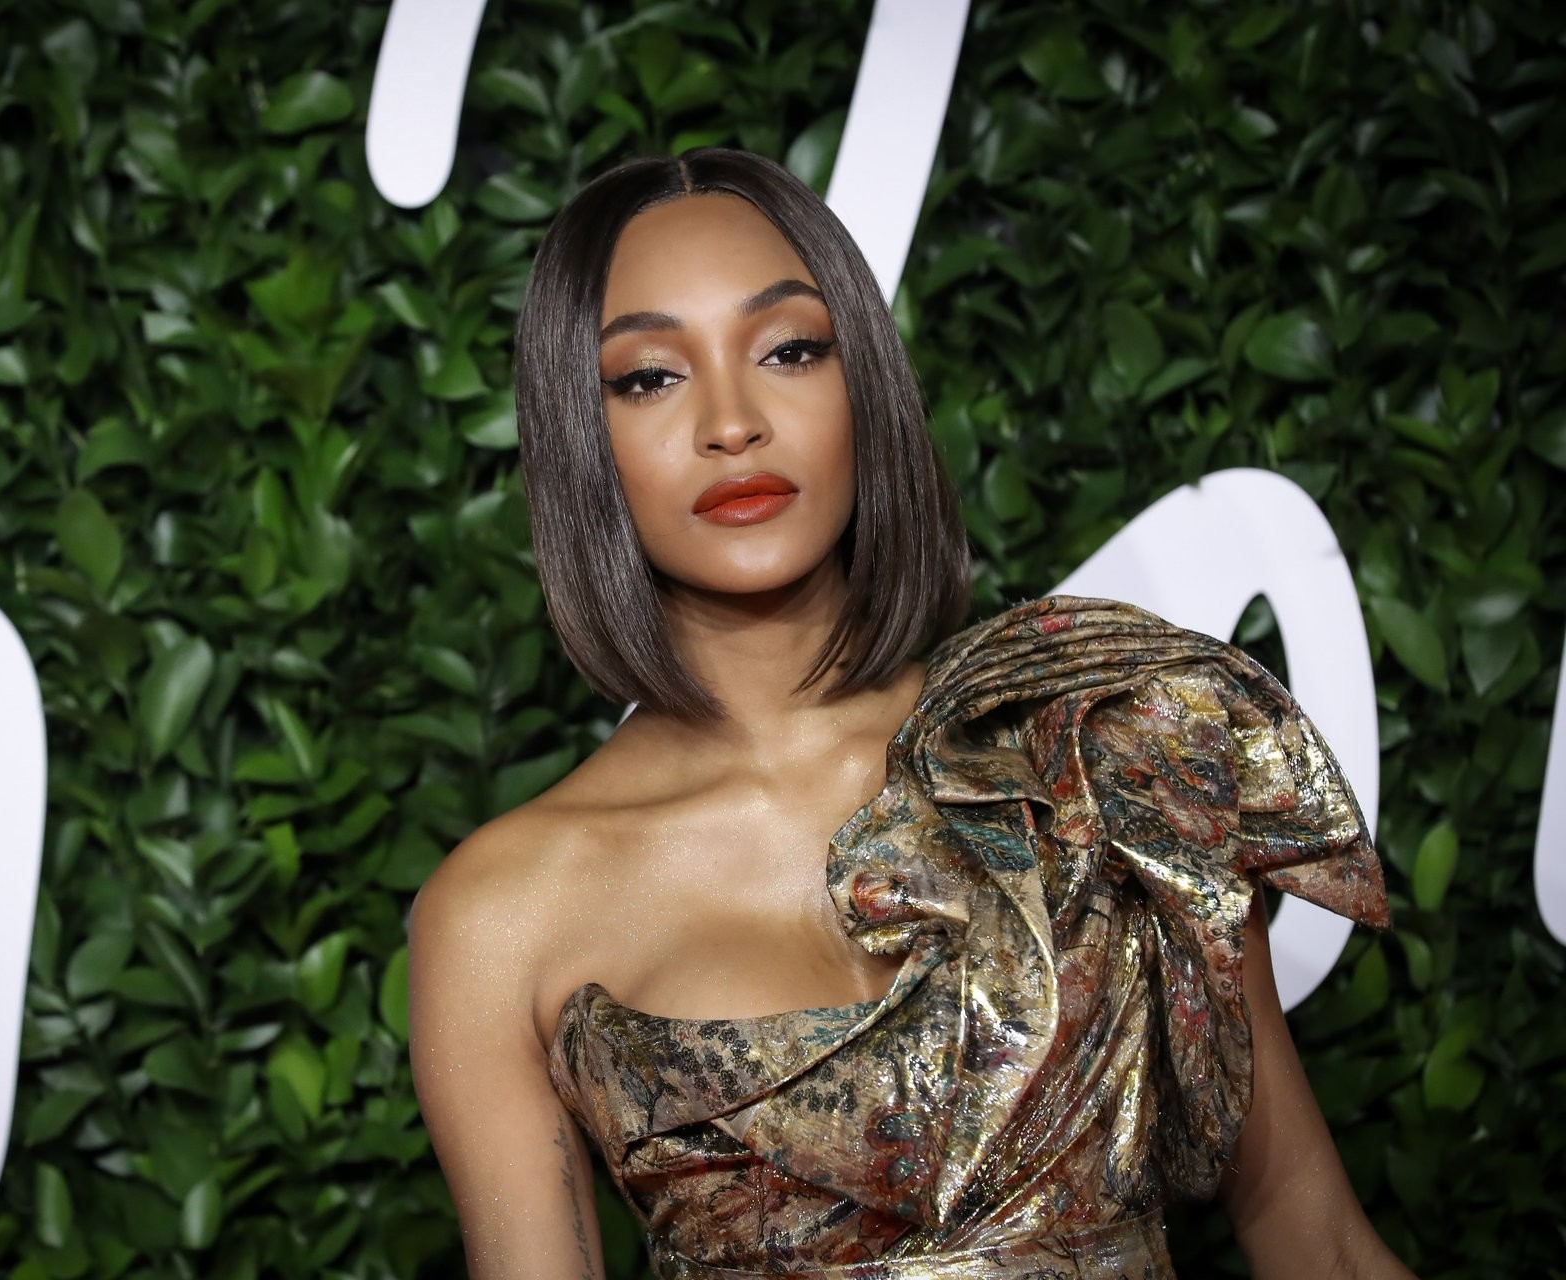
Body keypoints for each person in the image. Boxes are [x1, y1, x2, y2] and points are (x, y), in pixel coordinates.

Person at [406, 148, 1415, 1280]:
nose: (732, 422)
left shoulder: (1092, 741)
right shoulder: (500, 916)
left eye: (789, 349)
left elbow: (1320, 1243)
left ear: (863, 382)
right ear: (578, 435)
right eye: (649, 376)